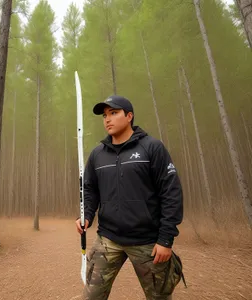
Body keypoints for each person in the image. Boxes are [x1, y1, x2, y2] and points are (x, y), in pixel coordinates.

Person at [75, 95, 184, 300]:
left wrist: (166, 239)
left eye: (114, 113)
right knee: (91, 297)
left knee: (159, 297)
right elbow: (90, 190)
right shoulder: (97, 154)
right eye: (105, 115)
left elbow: (171, 192)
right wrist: (87, 215)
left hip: (148, 242)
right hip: (108, 239)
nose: (107, 119)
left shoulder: (151, 148)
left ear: (129, 116)